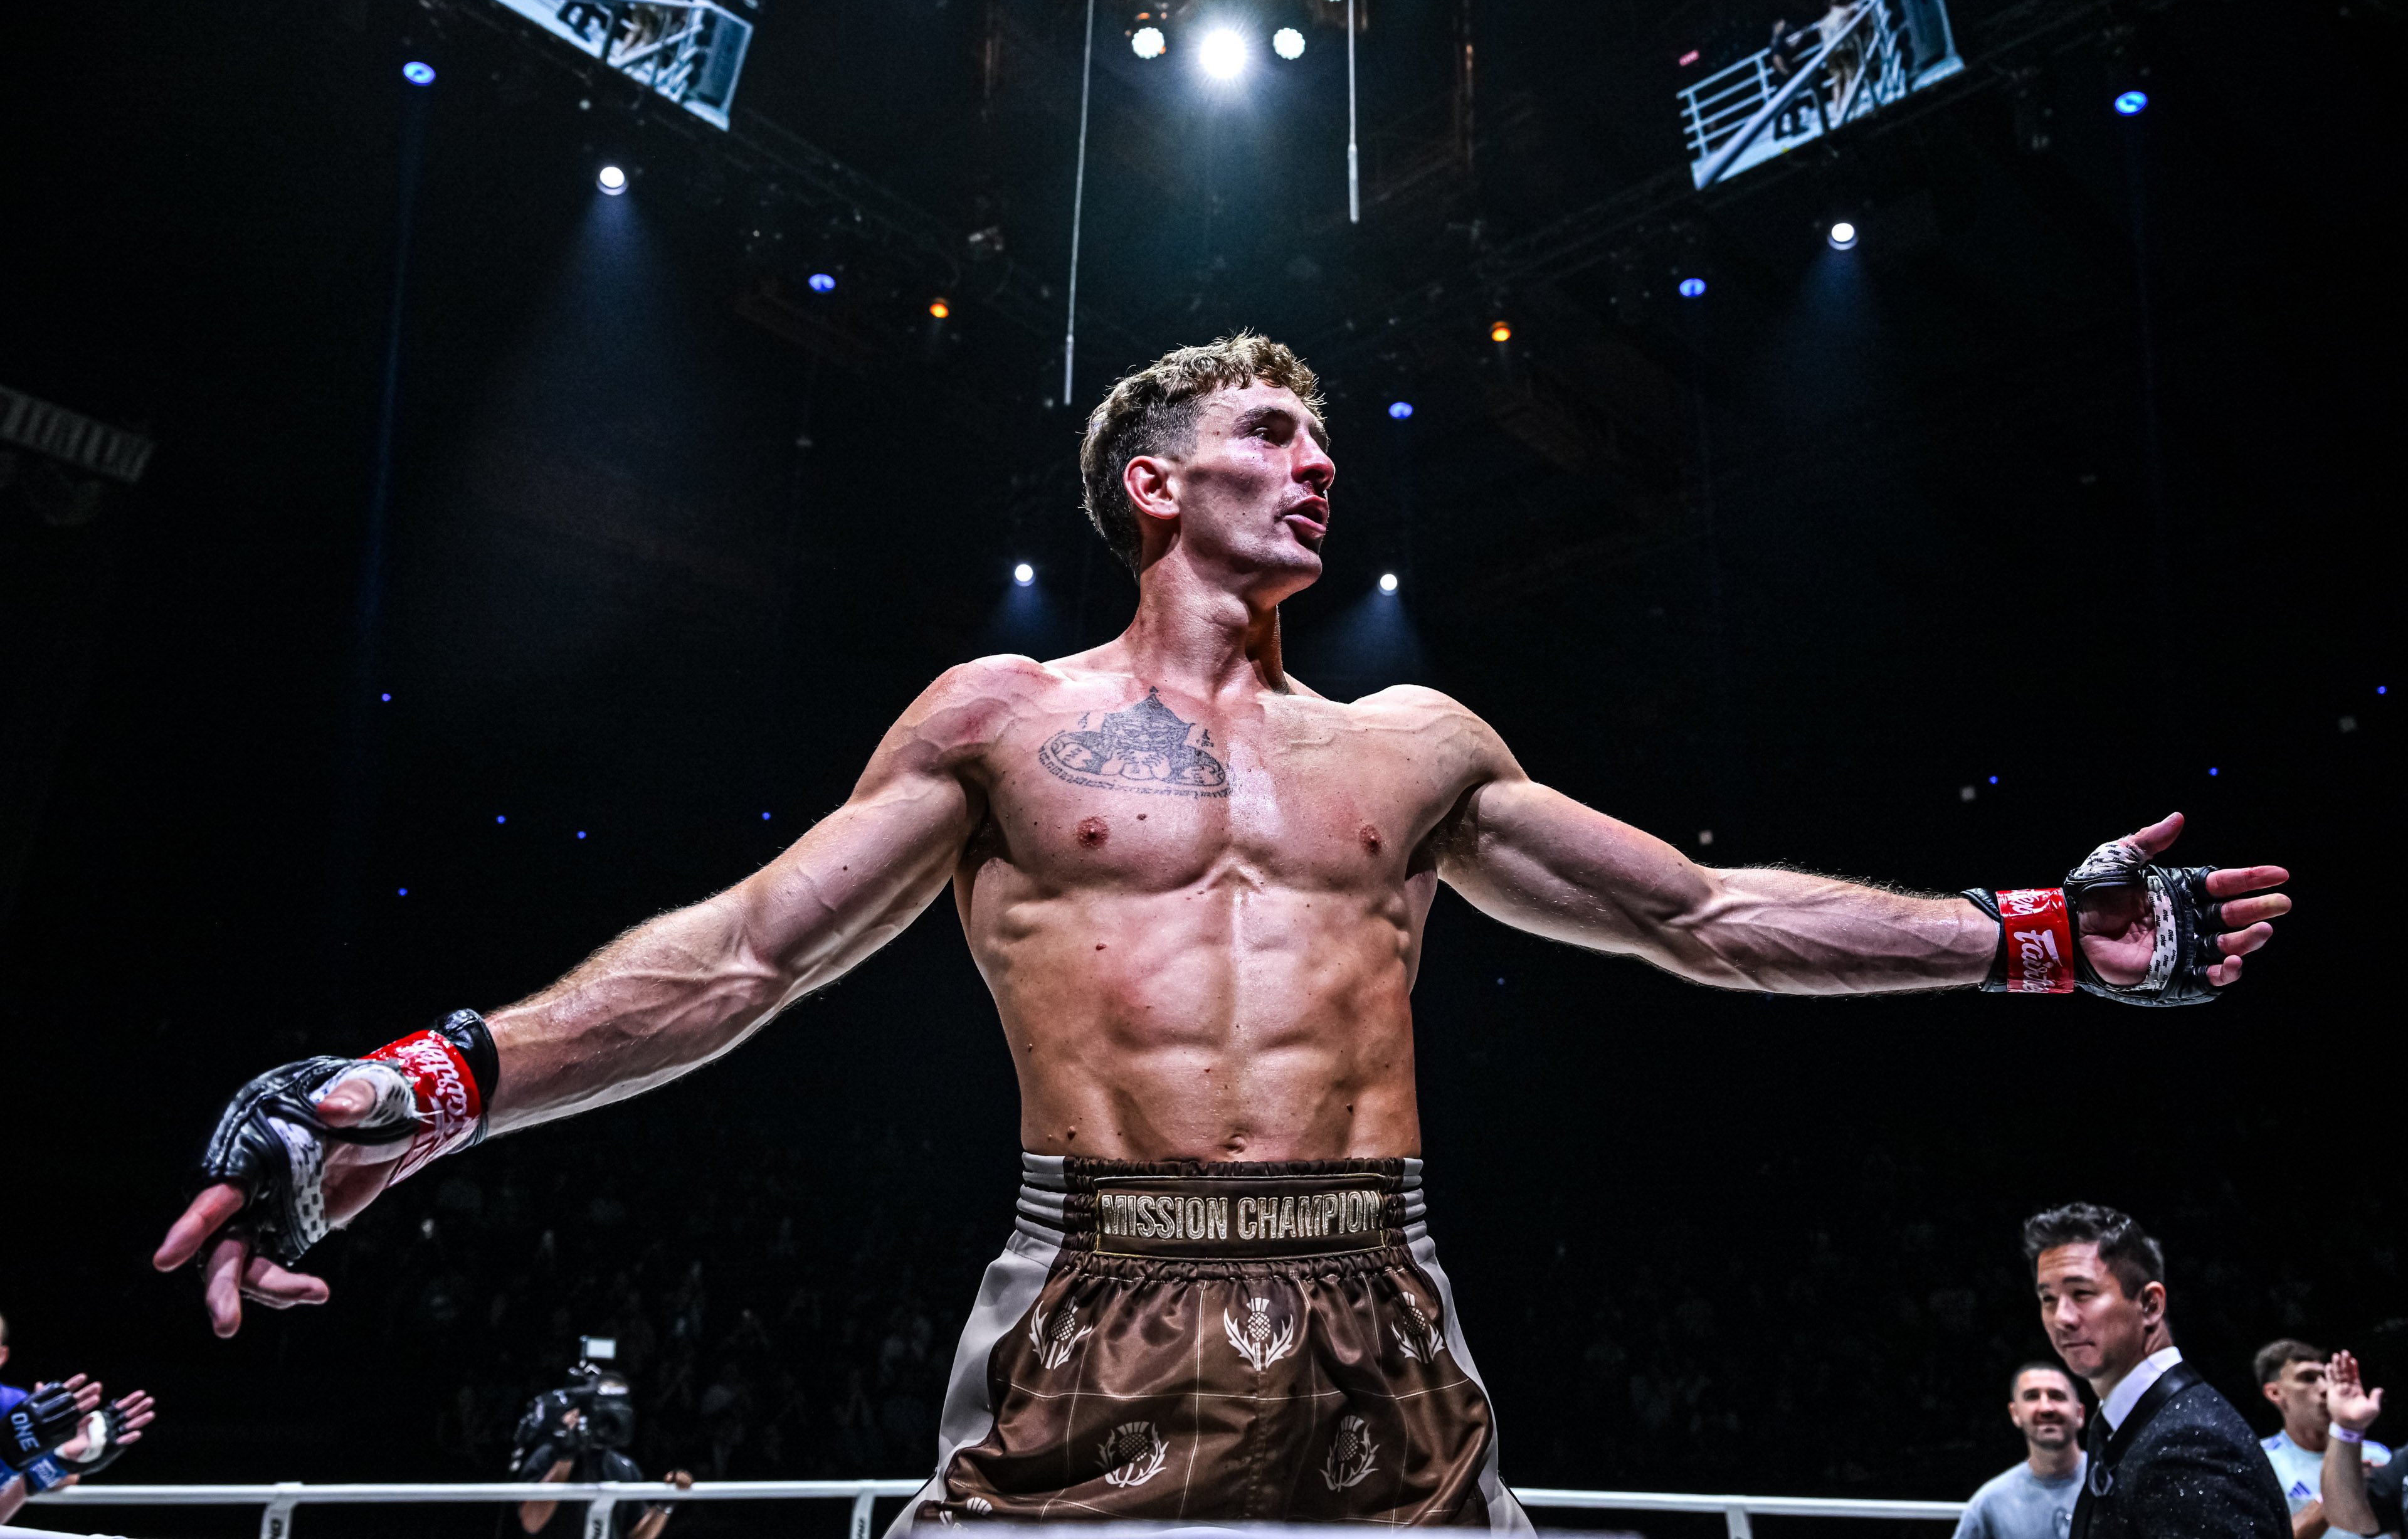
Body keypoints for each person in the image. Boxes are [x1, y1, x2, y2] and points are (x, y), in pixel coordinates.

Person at [153, 335, 2294, 1530]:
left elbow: (1712, 916)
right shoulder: (1003, 722)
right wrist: (430, 1087)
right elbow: (739, 959)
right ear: (1151, 480)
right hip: (1096, 1286)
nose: (1320, 459)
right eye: (1273, 430)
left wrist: (2025, 939)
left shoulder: (1416, 744)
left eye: (1330, 435)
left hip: (1384, 1295)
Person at [2025, 1203, 2288, 1539]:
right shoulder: (2133, 1425)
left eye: (2082, 1294)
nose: (2062, 1317)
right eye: (2048, 1299)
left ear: (2150, 1305)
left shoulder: (2188, 1444)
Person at [0, 1315, 159, 1528]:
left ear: (1, 1356)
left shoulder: (13, 1405)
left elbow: (64, 1479)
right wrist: (7, 1459)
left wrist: (60, 1458)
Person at [510, 1363, 691, 1539]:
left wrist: (665, 1505)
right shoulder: (548, 1456)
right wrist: (565, 1458)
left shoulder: (624, 1468)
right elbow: (531, 1524)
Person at [2258, 1340, 2394, 1535]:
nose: (2324, 1388)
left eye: (2326, 1377)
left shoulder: (2377, 1454)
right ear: (2275, 1393)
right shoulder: (2262, 1462)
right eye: (2307, 1378)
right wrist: (2344, 1487)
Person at [1956, 1362, 2088, 1539]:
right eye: (2032, 1397)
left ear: (2080, 1414)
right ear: (2015, 1413)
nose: (2046, 1408)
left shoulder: (2115, 1483)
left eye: (2057, 1396)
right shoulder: (1990, 1503)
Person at [2320, 1351, 2396, 1537]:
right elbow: (2347, 1518)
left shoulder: (2378, 1452)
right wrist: (2347, 1429)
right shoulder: (2405, 1461)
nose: (2321, 1389)